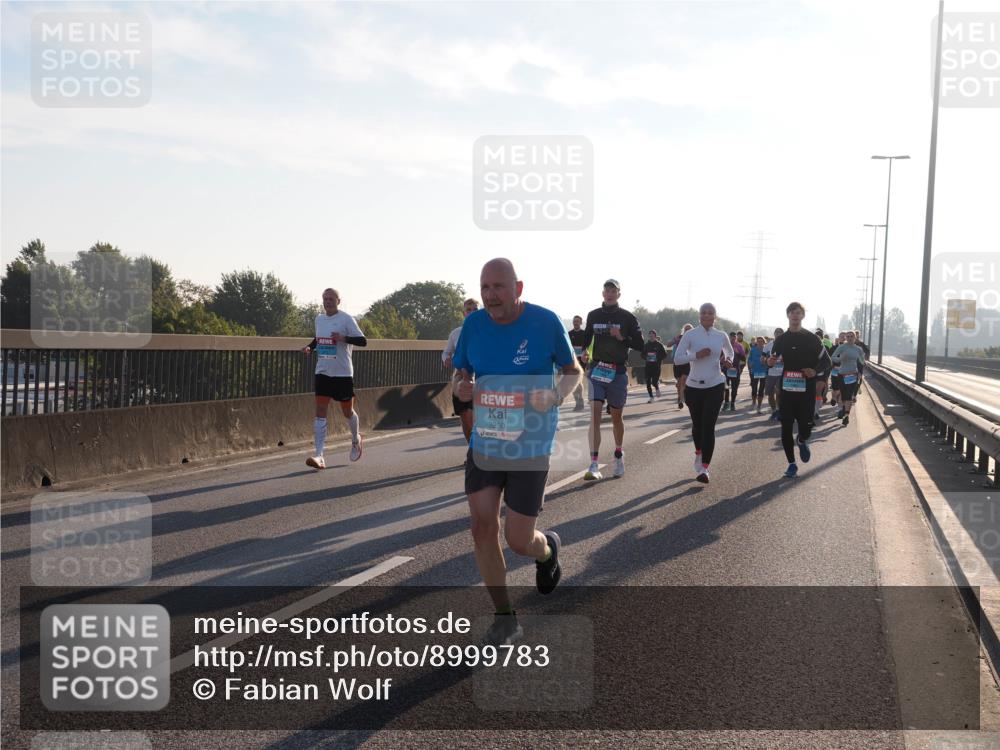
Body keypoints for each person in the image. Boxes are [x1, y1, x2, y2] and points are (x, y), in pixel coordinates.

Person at [453, 258, 581, 646]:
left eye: (498, 287)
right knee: (481, 526)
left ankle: (547, 551)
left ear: (518, 288)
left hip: (530, 444)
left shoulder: (545, 322)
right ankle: (505, 617)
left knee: (519, 540)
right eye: (484, 287)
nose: (490, 295)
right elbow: (462, 375)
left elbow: (574, 370)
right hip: (487, 441)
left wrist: (556, 394)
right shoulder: (473, 326)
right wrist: (461, 389)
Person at [581, 280, 644, 480]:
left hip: (617, 372)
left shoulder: (627, 317)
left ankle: (618, 453)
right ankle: (593, 464)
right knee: (595, 414)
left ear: (619, 294)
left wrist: (622, 337)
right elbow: (586, 337)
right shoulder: (593, 315)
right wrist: (583, 351)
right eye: (606, 290)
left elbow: (641, 345)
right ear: (602, 293)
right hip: (598, 369)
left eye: (613, 291)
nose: (609, 294)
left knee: (616, 417)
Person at [302, 288, 367, 469]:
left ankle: (356, 439)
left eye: (331, 299)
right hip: (323, 371)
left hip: (343, 373)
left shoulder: (346, 319)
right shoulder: (319, 319)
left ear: (338, 301)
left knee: (347, 412)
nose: (327, 301)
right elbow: (318, 339)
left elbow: (363, 341)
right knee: (320, 411)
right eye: (325, 298)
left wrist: (343, 337)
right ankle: (319, 455)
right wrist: (310, 348)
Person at [768, 302, 832, 478]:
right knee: (786, 427)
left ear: (803, 316)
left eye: (798, 313)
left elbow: (827, 362)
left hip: (806, 391)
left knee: (806, 427)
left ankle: (802, 440)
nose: (795, 316)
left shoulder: (812, 339)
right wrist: (770, 362)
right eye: (792, 313)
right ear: (788, 315)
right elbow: (772, 358)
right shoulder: (781, 340)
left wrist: (814, 370)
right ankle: (791, 464)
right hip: (787, 391)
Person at [672, 303, 734, 484]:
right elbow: (677, 359)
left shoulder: (721, 335)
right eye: (703, 313)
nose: (707, 316)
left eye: (710, 313)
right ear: (699, 316)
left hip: (715, 384)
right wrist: (696, 355)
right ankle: (698, 452)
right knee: (698, 425)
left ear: (715, 316)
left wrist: (729, 359)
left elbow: (729, 351)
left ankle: (704, 468)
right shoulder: (690, 335)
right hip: (693, 387)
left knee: (708, 425)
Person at [443, 298, 481, 442]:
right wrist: (446, 358)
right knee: (466, 418)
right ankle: (471, 451)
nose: (472, 313)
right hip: (461, 377)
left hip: (482, 377)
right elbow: (446, 352)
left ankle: (480, 451)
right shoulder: (456, 333)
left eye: (475, 310)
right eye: (468, 310)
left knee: (480, 417)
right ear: (464, 313)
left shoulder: (489, 331)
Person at [832, 331, 866, 425]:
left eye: (852, 336)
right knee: (843, 395)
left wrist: (860, 371)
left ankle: (846, 416)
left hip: (852, 375)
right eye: (848, 336)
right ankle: (842, 409)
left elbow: (862, 361)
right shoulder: (842, 347)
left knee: (849, 396)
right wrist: (840, 359)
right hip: (842, 374)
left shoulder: (858, 349)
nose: (850, 338)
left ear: (855, 338)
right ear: (846, 338)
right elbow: (833, 357)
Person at [670, 323, 694, 409]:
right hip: (677, 363)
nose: (688, 331)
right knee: (679, 382)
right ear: (683, 330)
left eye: (690, 329)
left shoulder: (694, 338)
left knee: (683, 380)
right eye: (686, 329)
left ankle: (681, 399)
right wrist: (675, 340)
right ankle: (679, 397)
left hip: (687, 363)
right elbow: (669, 344)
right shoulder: (680, 337)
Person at [568, 315, 589, 411]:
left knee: (579, 381)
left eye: (577, 321)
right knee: (574, 381)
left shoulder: (585, 334)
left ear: (581, 323)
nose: (575, 323)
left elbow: (588, 348)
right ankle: (578, 402)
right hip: (572, 360)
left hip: (583, 360)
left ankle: (581, 403)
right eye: (574, 321)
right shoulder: (569, 334)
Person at [763, 327, 784, 420]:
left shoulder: (786, 345)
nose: (778, 334)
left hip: (782, 373)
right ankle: (774, 411)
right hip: (771, 373)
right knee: (770, 394)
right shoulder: (768, 345)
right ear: (774, 334)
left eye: (780, 332)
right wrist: (767, 361)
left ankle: (779, 411)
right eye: (777, 332)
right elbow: (762, 357)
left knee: (779, 393)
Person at [643, 329, 668, 402]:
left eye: (652, 334)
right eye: (649, 334)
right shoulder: (646, 345)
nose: (651, 336)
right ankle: (651, 397)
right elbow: (642, 354)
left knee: (654, 381)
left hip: (656, 366)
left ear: (655, 336)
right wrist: (646, 357)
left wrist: (657, 358)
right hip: (648, 366)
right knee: (647, 382)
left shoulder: (659, 345)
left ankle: (657, 388)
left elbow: (665, 354)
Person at [725, 331, 746, 411]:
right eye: (731, 337)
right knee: (726, 387)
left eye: (734, 337)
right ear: (729, 337)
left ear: (736, 338)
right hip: (726, 369)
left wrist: (738, 353)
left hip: (735, 369)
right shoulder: (725, 345)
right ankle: (726, 403)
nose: (733, 338)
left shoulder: (739, 346)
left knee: (734, 387)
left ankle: (732, 403)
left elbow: (744, 358)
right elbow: (720, 356)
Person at [747, 336, 768, 414]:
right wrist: (750, 364)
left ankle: (759, 406)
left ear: (764, 342)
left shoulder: (766, 350)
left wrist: (766, 361)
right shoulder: (753, 349)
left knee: (761, 389)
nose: (760, 342)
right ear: (756, 342)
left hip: (763, 371)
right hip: (754, 371)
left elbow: (769, 359)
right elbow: (749, 359)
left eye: (761, 341)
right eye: (758, 341)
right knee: (754, 388)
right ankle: (753, 403)